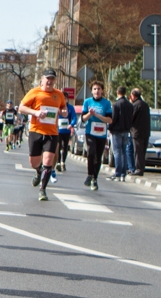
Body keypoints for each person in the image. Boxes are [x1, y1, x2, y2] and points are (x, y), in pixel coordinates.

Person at [18, 69, 68, 202]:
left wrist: (63, 112)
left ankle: (43, 190)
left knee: (48, 161)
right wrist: (35, 113)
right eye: (48, 79)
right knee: (34, 161)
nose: (50, 81)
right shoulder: (34, 92)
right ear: (42, 79)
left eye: (52, 79)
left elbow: (64, 108)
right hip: (36, 131)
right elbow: (21, 108)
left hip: (52, 133)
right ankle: (38, 171)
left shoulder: (59, 94)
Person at [78, 80, 112, 190]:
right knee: (91, 152)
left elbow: (109, 120)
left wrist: (97, 115)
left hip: (101, 134)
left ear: (102, 91)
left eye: (99, 89)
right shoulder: (87, 102)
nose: (97, 91)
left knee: (98, 157)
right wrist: (90, 114)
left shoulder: (106, 103)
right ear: (92, 91)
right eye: (95, 89)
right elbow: (83, 119)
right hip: (90, 132)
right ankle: (89, 174)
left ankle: (95, 178)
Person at [108, 86, 133, 181]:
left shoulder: (116, 104)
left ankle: (117, 172)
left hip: (116, 131)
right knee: (124, 151)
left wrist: (110, 128)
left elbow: (113, 118)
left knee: (117, 151)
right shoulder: (130, 105)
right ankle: (123, 173)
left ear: (117, 92)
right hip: (126, 130)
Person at [129, 88, 151, 176]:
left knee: (138, 151)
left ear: (133, 96)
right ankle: (141, 168)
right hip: (146, 132)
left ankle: (139, 169)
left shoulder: (135, 105)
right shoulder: (145, 105)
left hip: (137, 132)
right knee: (142, 151)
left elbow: (131, 118)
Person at [54, 98, 76, 178]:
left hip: (66, 131)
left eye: (65, 99)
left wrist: (71, 125)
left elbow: (74, 117)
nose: (64, 100)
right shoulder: (57, 106)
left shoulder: (70, 108)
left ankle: (63, 161)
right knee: (58, 146)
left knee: (65, 147)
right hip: (58, 131)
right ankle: (58, 162)